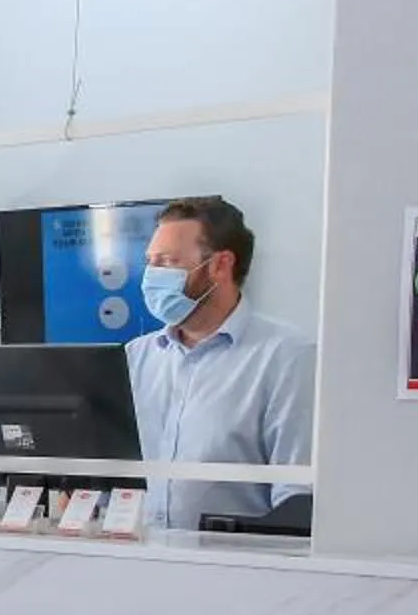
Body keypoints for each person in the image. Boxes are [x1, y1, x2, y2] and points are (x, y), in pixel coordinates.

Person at [128, 195, 317, 529]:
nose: (152, 277)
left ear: (220, 265)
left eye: (168, 262)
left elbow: (297, 496)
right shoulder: (136, 357)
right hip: (135, 562)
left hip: (236, 571)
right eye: (150, 262)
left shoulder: (287, 356)